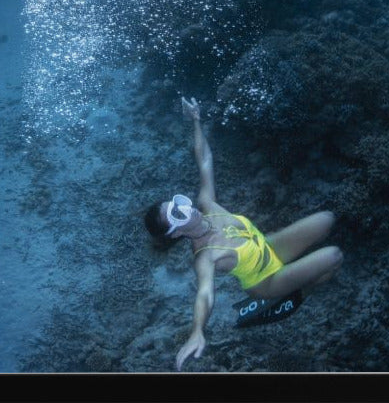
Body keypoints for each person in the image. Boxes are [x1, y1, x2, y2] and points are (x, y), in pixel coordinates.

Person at [144, 96, 343, 371]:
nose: (186, 209)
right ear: (176, 234)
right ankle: (301, 292)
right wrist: (197, 330)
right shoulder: (205, 257)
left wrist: (196, 120)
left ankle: (300, 276)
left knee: (327, 219)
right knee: (333, 257)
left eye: (178, 203)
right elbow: (204, 294)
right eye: (177, 214)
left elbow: (205, 160)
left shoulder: (208, 205)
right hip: (267, 280)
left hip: (270, 246)